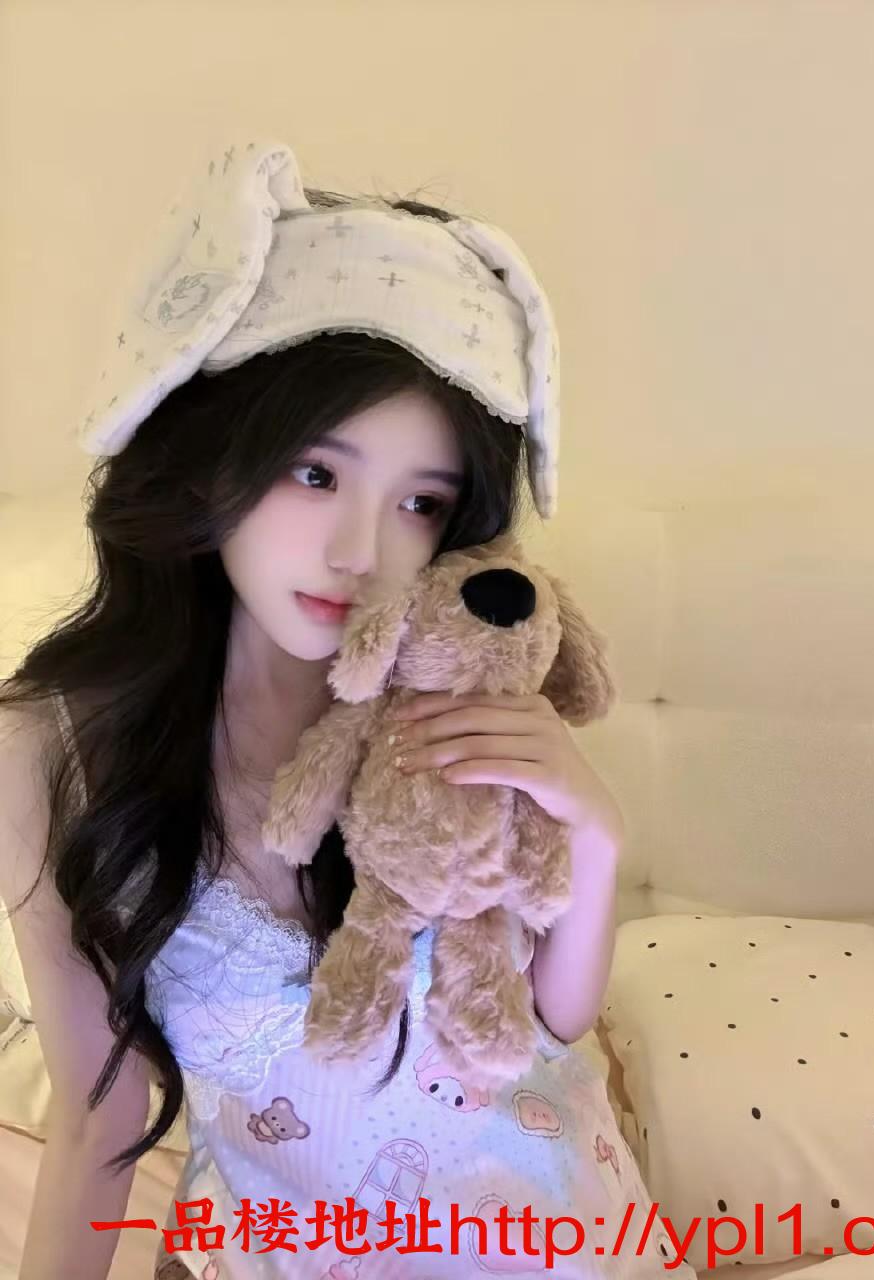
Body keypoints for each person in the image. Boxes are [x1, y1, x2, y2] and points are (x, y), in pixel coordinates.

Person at [0, 140, 696, 1278]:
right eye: (316, 474)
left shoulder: (456, 690)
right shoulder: (47, 748)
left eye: (421, 503)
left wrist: (597, 830)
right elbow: (95, 1121)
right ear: (209, 455)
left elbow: (548, 1031)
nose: (361, 551)